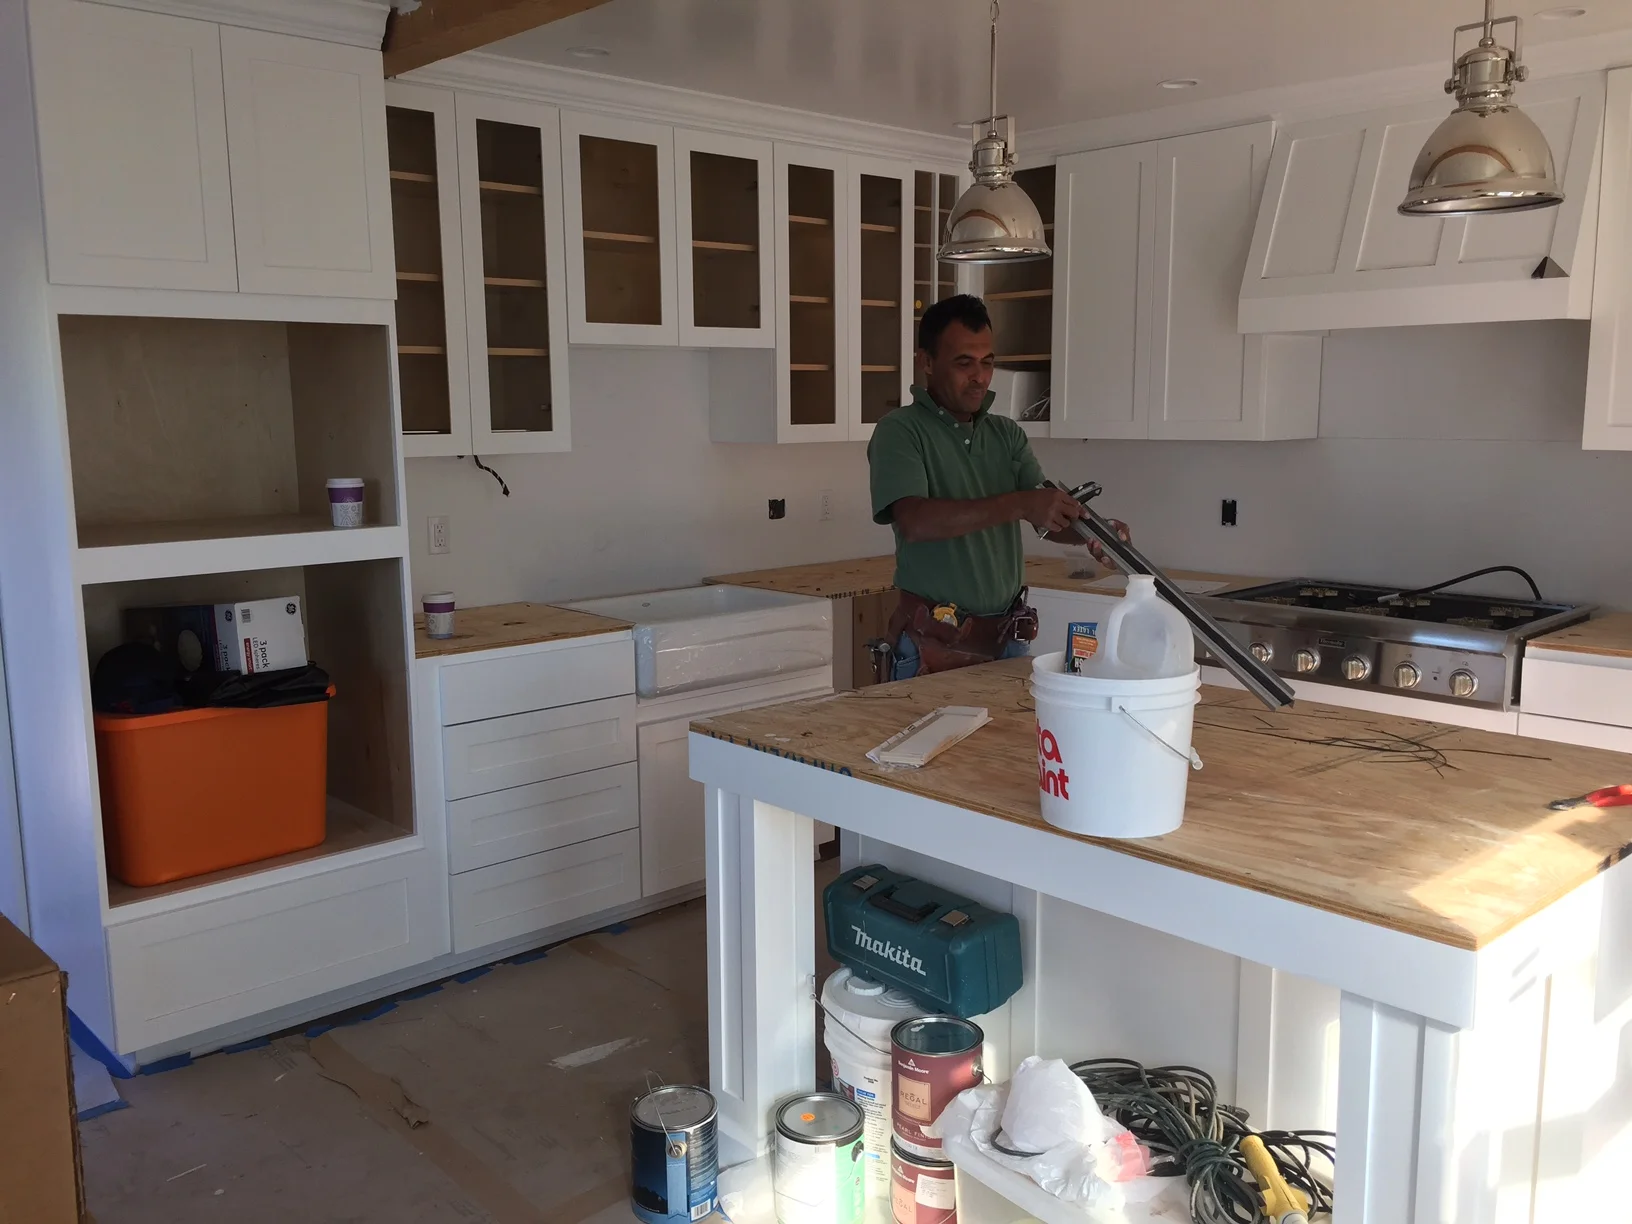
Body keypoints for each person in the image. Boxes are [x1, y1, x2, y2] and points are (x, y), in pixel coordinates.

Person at [868, 294, 1129, 680]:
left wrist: (1095, 533)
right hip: (932, 645)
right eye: (964, 363)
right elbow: (915, 522)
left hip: (1008, 641)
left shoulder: (1006, 434)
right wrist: (1022, 504)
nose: (980, 376)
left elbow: (1045, 513)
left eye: (987, 363)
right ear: (926, 362)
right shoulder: (900, 431)